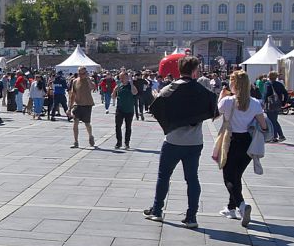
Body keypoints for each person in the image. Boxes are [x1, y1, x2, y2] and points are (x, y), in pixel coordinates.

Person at [144, 56, 218, 229]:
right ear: (194, 71)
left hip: (173, 140)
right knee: (192, 179)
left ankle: (157, 210)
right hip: (194, 142)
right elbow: (213, 108)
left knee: (164, 176)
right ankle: (191, 217)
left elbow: (157, 106)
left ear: (179, 69)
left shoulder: (171, 88)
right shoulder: (202, 90)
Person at [215, 70, 268, 226]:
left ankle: (242, 206)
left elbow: (215, 114)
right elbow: (263, 126)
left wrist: (221, 97)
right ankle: (231, 208)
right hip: (247, 142)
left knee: (228, 177)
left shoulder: (227, 101)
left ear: (234, 84)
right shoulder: (255, 103)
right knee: (237, 175)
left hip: (231, 141)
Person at [68, 67, 96, 148]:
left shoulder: (89, 80)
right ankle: (76, 141)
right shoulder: (75, 81)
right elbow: (72, 95)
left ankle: (90, 136)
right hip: (77, 104)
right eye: (79, 73)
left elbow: (93, 87)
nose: (81, 75)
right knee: (75, 122)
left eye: (83, 73)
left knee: (87, 123)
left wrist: (88, 79)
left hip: (87, 104)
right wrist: (69, 108)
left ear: (86, 73)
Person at [112, 69, 138, 149]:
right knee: (118, 126)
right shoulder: (119, 86)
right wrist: (114, 90)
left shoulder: (131, 86)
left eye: (123, 77)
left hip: (129, 110)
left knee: (128, 127)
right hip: (120, 109)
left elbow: (135, 92)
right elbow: (113, 97)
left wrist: (131, 83)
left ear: (127, 78)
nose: (121, 79)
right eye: (120, 78)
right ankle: (119, 142)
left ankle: (127, 143)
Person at [262, 71, 287, 142]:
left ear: (269, 77)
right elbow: (285, 93)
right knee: (274, 120)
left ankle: (274, 136)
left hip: (270, 104)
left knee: (272, 121)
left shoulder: (267, 84)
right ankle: (281, 135)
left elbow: (266, 94)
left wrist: (263, 103)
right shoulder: (279, 84)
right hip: (278, 104)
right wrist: (283, 102)